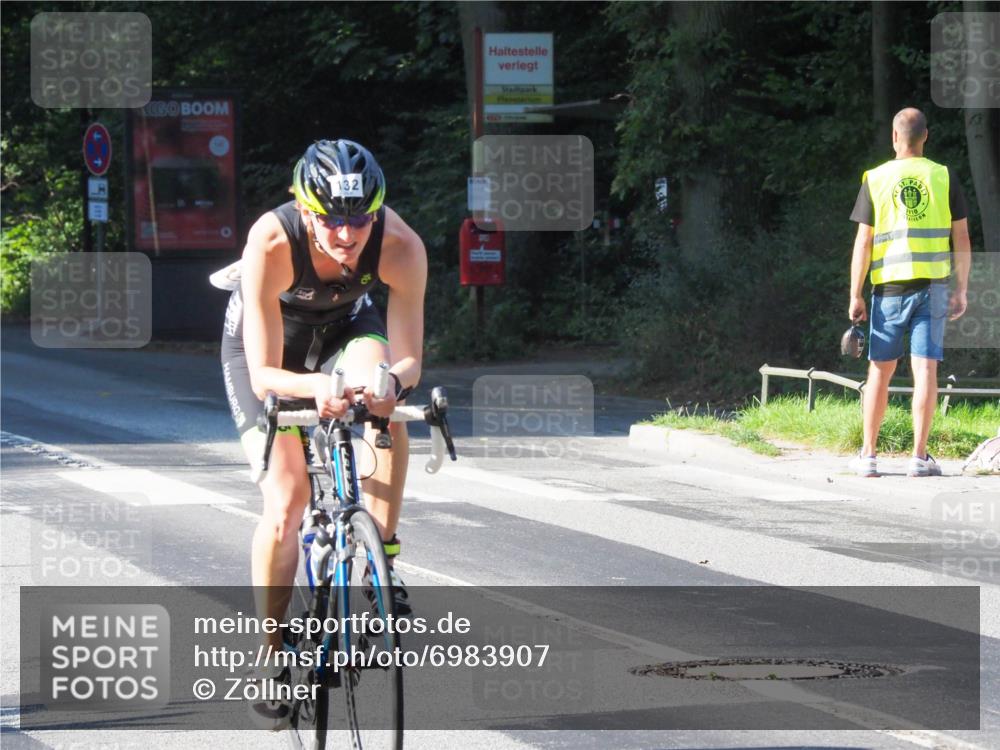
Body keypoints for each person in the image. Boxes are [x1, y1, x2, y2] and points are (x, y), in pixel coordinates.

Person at [219, 139, 427, 727]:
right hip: (267, 347)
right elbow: (263, 376)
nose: (346, 234)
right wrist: (316, 390)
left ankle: (380, 562)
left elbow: (410, 360)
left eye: (359, 219)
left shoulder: (401, 245)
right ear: (305, 210)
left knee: (383, 397)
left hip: (345, 328)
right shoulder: (273, 240)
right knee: (287, 502)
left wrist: (389, 384)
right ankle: (271, 650)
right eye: (332, 219)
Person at [847, 108, 971, 478]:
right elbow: (961, 238)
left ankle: (869, 456)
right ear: (926, 137)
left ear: (895, 137)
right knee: (925, 369)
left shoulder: (877, 178)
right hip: (932, 288)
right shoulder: (943, 176)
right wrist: (961, 288)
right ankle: (919, 457)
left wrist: (856, 293)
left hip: (888, 290)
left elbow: (864, 242)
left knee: (879, 372)